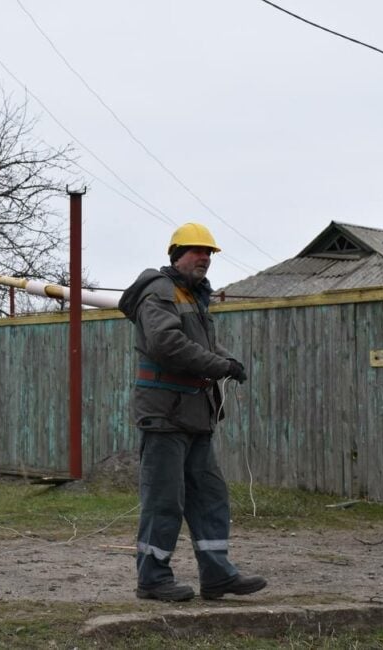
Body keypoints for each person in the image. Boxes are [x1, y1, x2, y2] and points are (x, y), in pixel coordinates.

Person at [118, 223, 267, 602]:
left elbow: (205, 345)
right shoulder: (160, 293)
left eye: (209, 253)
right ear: (176, 254)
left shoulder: (192, 296)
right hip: (165, 415)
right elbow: (167, 344)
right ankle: (152, 579)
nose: (204, 258)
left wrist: (228, 359)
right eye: (196, 251)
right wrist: (221, 367)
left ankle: (217, 575)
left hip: (195, 416)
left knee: (210, 496)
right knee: (165, 500)